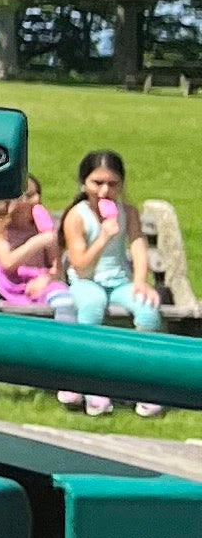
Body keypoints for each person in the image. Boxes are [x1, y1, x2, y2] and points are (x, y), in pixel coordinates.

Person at [52, 142, 164, 415]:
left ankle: (143, 385)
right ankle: (90, 384)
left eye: (112, 184)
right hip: (86, 281)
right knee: (92, 305)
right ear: (83, 183)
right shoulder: (76, 217)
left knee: (148, 312)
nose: (104, 191)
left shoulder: (129, 212)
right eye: (97, 182)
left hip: (120, 282)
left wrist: (140, 281)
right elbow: (80, 266)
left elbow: (137, 245)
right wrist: (103, 236)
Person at [0, 175, 63, 313]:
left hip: (39, 282)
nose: (37, 200)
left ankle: (65, 332)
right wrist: (38, 241)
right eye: (29, 196)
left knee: (64, 299)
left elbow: (56, 267)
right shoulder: (0, 228)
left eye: (38, 194)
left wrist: (47, 279)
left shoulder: (42, 229)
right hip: (7, 287)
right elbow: (8, 263)